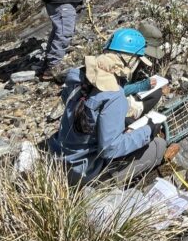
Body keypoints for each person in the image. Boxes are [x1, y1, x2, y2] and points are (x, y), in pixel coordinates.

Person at [49, 28, 172, 185]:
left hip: (58, 156)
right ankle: (106, 185)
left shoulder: (77, 74)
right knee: (158, 146)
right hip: (82, 174)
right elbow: (110, 149)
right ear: (131, 61)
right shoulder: (114, 95)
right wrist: (148, 131)